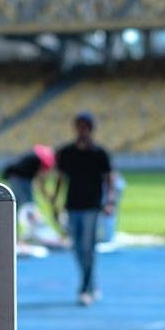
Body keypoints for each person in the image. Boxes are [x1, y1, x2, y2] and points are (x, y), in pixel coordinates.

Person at [53, 111, 117, 306]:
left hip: (91, 205)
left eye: (85, 127)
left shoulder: (100, 153)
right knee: (77, 247)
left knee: (88, 247)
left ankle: (85, 288)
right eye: (79, 126)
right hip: (72, 205)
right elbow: (61, 178)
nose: (82, 130)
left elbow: (109, 178)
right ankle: (90, 282)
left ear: (90, 129)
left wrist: (109, 201)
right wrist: (55, 200)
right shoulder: (66, 152)